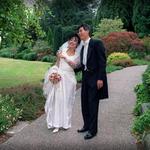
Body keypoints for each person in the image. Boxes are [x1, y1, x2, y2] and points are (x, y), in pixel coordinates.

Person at [43, 34, 81, 133]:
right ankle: (56, 124)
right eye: (71, 40)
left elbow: (74, 66)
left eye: (75, 41)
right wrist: (54, 73)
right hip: (59, 78)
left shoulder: (77, 55)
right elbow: (57, 64)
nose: (72, 42)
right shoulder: (61, 51)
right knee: (57, 100)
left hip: (69, 79)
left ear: (77, 44)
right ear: (68, 41)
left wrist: (65, 58)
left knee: (66, 101)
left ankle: (65, 123)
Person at [76, 24, 109, 140]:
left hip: (95, 78)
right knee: (84, 103)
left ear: (87, 31)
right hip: (85, 78)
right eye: (78, 32)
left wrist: (100, 78)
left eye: (81, 31)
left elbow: (102, 61)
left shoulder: (96, 43)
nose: (79, 33)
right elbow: (82, 64)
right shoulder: (82, 46)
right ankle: (86, 125)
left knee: (93, 104)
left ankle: (93, 131)